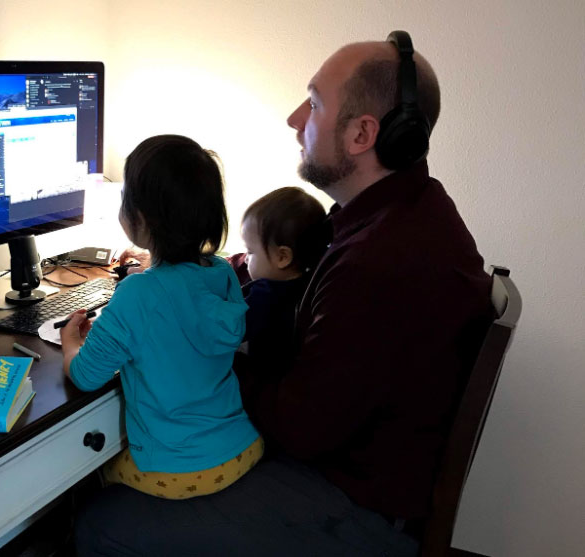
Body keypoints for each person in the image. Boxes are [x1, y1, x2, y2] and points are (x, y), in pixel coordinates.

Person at [76, 35, 493, 556]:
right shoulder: (398, 214)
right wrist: (188, 276)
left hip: (353, 507)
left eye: (314, 103)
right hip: (359, 470)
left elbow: (301, 428)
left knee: (99, 523)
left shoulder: (382, 265)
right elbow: (298, 276)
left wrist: (198, 343)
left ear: (363, 134)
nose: (296, 118)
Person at [60, 134, 263, 501]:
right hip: (243, 446)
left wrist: (71, 342)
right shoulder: (222, 273)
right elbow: (185, 302)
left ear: (138, 218)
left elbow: (86, 376)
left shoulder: (138, 293)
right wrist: (153, 269)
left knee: (88, 477)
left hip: (179, 471)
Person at [235, 187, 328, 381]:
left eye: (250, 252)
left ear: (282, 257)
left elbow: (233, 329)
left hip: (259, 378)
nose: (245, 259)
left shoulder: (267, 294)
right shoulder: (312, 283)